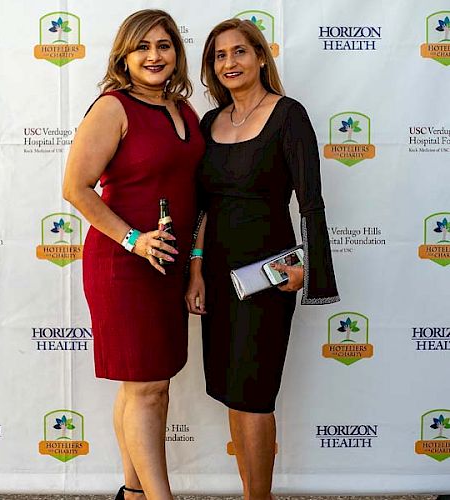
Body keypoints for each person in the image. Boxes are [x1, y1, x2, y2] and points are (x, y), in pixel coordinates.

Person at [185, 18, 339, 500]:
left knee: (255, 397)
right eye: (219, 56)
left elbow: (310, 202)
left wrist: (307, 270)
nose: (229, 63)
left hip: (267, 278)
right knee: (234, 394)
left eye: (239, 53)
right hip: (217, 275)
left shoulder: (288, 115)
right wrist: (195, 272)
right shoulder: (209, 123)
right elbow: (202, 207)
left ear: (259, 57)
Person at [63, 9, 204, 500]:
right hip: (123, 265)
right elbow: (75, 188)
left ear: (176, 53)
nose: (154, 55)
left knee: (147, 386)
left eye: (164, 45)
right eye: (142, 46)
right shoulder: (112, 107)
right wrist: (133, 240)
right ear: (124, 54)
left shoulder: (183, 109)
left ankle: (134, 493)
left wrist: (195, 263)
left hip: (169, 265)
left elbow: (196, 192)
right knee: (146, 388)